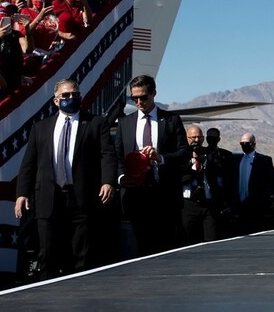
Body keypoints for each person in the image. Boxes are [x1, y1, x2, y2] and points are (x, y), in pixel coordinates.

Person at [14, 79, 117, 279]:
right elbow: (29, 163)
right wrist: (22, 193)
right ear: (55, 101)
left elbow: (108, 155)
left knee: (82, 254)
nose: (71, 98)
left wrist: (108, 181)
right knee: (48, 253)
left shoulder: (96, 124)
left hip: (81, 198)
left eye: (75, 94)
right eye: (66, 95)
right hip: (49, 199)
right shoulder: (41, 128)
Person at [115, 75, 187, 256]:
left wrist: (161, 158)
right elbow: (116, 156)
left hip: (164, 193)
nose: (139, 102)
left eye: (143, 97)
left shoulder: (171, 120)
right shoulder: (125, 123)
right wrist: (122, 177)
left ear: (154, 94)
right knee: (138, 247)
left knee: (165, 247)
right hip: (135, 194)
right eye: (134, 98)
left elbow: (184, 153)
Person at [180, 125, 229, 245]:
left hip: (208, 204)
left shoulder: (211, 155)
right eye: (193, 137)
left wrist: (204, 160)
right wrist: (192, 165)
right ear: (186, 138)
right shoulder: (181, 155)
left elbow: (220, 174)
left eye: (199, 137)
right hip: (188, 204)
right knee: (189, 240)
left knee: (211, 239)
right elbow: (179, 177)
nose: (196, 140)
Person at [232, 133, 274, 235]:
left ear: (254, 144)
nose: (244, 145)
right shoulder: (236, 160)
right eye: (242, 143)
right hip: (239, 205)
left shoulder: (263, 161)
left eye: (247, 143)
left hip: (257, 206)